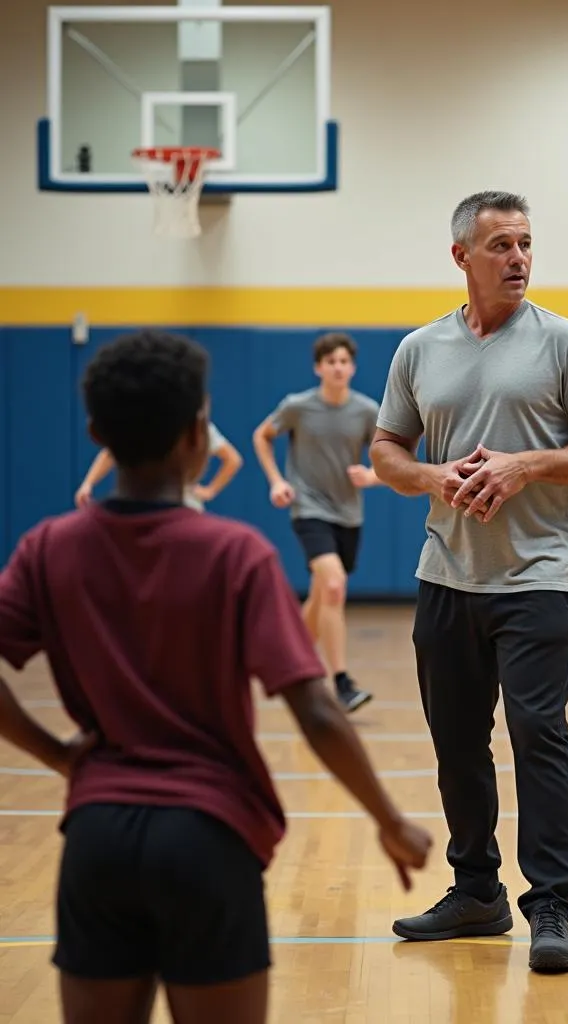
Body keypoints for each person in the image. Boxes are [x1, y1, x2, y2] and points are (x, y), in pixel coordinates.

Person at [0, 330, 431, 1024]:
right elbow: (316, 710)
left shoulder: (48, 549)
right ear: (198, 434)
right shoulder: (235, 555)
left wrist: (57, 756)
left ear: (95, 432)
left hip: (96, 839)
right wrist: (389, 819)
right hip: (207, 838)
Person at [369, 190, 568, 974]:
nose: (518, 258)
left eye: (525, 244)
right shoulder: (420, 350)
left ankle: (550, 904)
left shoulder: (566, 344)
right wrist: (427, 475)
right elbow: (386, 450)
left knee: (537, 733)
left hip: (541, 576)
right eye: (501, 246)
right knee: (457, 741)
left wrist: (529, 465)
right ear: (462, 257)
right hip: (446, 574)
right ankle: (475, 892)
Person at [253, 332, 380, 713]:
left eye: (344, 361)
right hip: (309, 507)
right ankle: (341, 683)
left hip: (349, 513)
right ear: (318, 367)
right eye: (331, 362)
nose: (338, 367)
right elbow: (262, 435)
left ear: (352, 368)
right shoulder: (298, 406)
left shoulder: (367, 411)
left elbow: (391, 456)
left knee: (322, 593)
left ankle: (289, 665)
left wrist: (372, 476)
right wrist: (277, 480)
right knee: (335, 586)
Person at [75, 420, 242, 512]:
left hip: (182, 505)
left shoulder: (194, 426)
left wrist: (210, 490)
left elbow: (233, 459)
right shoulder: (138, 422)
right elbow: (110, 453)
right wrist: (88, 483)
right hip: (139, 507)